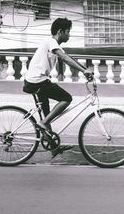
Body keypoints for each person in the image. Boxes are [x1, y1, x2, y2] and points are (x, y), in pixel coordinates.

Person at [23, 18, 93, 157]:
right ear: (60, 32)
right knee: (66, 98)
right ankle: (44, 123)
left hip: (35, 81)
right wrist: (83, 71)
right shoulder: (51, 42)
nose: (69, 35)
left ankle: (53, 147)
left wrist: (85, 70)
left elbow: (68, 57)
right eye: (68, 32)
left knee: (47, 114)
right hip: (38, 81)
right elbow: (65, 58)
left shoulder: (54, 44)